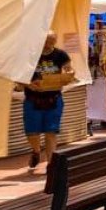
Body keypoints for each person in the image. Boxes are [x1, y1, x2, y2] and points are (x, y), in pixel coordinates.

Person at [21, 37, 74, 171]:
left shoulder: (61, 55)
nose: (48, 45)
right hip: (33, 98)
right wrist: (29, 85)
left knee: (51, 132)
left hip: (53, 98)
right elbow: (19, 76)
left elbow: (68, 69)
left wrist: (69, 74)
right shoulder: (30, 55)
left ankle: (51, 165)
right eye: (46, 41)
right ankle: (36, 151)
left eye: (51, 41)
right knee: (32, 133)